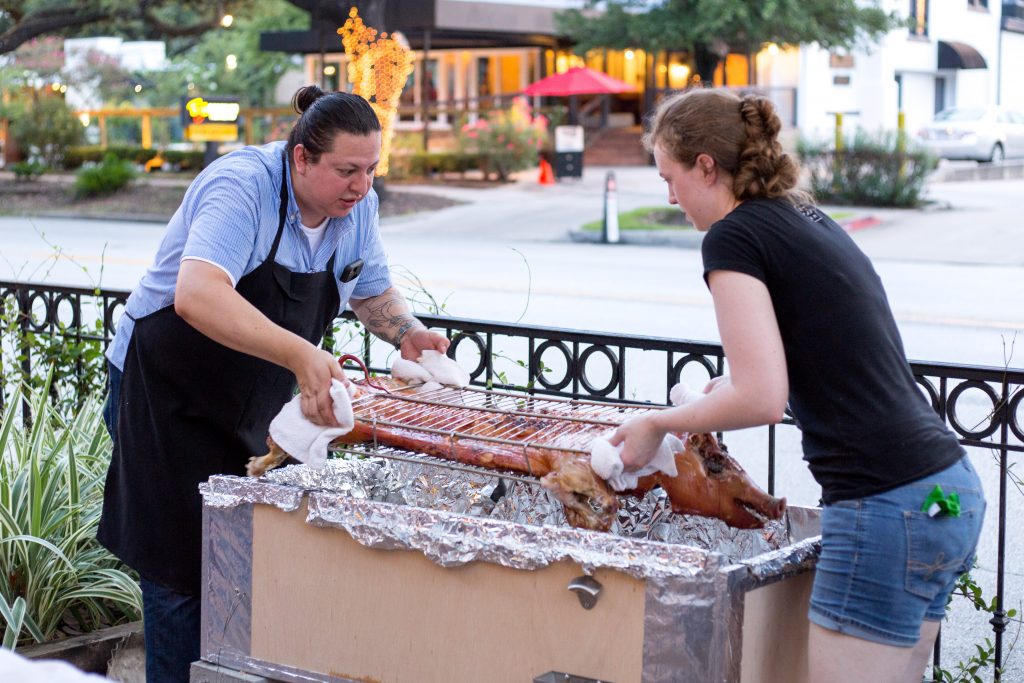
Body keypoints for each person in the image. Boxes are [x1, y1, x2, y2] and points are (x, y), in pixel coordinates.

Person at [611, 88, 985, 683]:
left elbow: (762, 399)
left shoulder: (732, 237)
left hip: (886, 504)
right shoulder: (802, 217)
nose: (671, 197)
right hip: (946, 493)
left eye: (669, 178)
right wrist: (724, 389)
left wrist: (656, 424)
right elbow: (816, 358)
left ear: (706, 167)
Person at [98, 86, 448, 683]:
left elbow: (368, 288)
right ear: (301, 157)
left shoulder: (357, 205)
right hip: (165, 392)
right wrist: (301, 355)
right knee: (180, 566)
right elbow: (197, 294)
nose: (362, 186)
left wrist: (408, 334)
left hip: (247, 396)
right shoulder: (243, 187)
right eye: (347, 170)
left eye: (371, 169)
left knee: (243, 561)